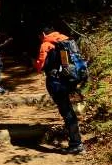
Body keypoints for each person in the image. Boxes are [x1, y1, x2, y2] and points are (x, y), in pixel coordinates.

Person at [34, 26, 85, 154]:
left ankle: (76, 143)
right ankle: (76, 142)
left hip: (56, 81)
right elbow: (66, 63)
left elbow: (40, 66)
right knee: (68, 111)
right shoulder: (64, 40)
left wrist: (34, 63)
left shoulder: (46, 45)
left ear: (43, 33)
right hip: (68, 79)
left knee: (67, 112)